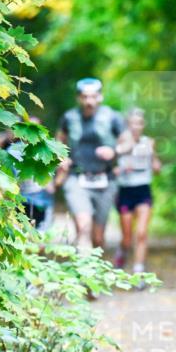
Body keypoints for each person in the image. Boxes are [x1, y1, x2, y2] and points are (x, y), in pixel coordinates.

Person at [54, 77, 126, 249]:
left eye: (93, 97)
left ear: (100, 97)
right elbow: (58, 142)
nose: (89, 101)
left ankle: (93, 271)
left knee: (98, 237)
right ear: (78, 98)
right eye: (85, 97)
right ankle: (83, 273)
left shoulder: (113, 117)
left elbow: (128, 142)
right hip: (76, 178)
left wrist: (114, 151)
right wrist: (62, 157)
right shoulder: (69, 118)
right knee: (83, 226)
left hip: (105, 179)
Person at [112, 107, 161, 277]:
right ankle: (122, 253)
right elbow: (112, 163)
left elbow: (157, 166)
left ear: (143, 125)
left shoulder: (149, 142)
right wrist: (118, 169)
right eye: (132, 123)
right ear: (127, 124)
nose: (135, 126)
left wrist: (156, 165)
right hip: (125, 191)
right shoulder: (120, 141)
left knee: (141, 233)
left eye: (139, 123)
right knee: (127, 238)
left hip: (143, 190)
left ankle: (138, 271)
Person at [0, 116, 55, 232]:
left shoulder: (48, 151)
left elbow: (51, 186)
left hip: (41, 201)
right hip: (21, 201)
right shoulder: (12, 152)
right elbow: (8, 183)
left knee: (40, 239)